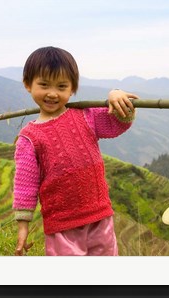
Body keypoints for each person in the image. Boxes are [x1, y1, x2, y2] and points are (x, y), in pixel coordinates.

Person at [12, 46, 139, 256]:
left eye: (61, 86)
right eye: (44, 85)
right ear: (28, 84)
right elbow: (25, 185)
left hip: (100, 216)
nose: (52, 93)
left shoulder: (85, 116)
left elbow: (118, 123)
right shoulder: (29, 137)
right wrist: (23, 225)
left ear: (72, 89)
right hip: (62, 224)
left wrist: (116, 95)